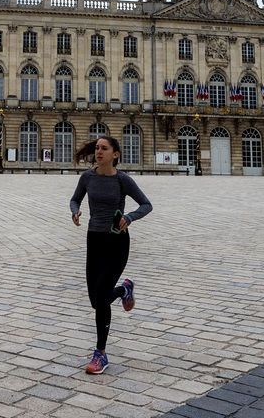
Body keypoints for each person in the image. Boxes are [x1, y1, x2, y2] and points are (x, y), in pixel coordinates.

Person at [70, 136, 152, 374]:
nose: (98, 151)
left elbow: (146, 205)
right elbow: (75, 199)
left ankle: (101, 354)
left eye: (104, 149)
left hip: (116, 241)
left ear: (115, 154)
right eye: (97, 148)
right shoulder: (88, 177)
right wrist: (75, 212)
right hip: (94, 240)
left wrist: (130, 218)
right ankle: (125, 289)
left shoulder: (123, 180)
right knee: (97, 301)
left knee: (102, 295)